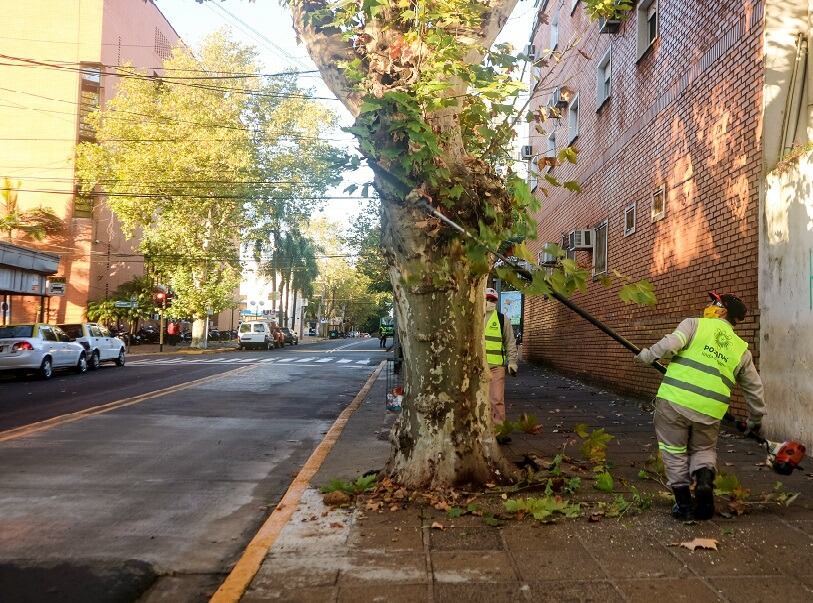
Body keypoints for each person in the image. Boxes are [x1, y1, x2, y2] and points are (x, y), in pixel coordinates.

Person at [635, 291, 766, 521]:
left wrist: (649, 355)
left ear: (722, 310)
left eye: (713, 302)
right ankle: (704, 480)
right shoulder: (740, 349)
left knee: (674, 452)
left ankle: (684, 505)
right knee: (703, 450)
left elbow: (671, 344)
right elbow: (754, 389)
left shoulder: (694, 324)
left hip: (675, 401)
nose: (708, 305)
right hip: (711, 410)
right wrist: (755, 420)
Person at [483, 287, 518, 431]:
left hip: (496, 367)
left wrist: (512, 362)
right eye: (487, 299)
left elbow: (510, 341)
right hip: (476, 366)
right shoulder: (472, 316)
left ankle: (499, 431)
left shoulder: (502, 319)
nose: (490, 302)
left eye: (493, 300)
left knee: (497, 400)